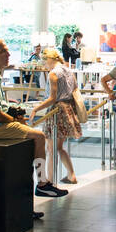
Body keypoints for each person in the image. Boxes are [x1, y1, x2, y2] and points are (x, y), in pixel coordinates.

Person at [0, 39, 57, 207]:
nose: (8, 54)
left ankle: (30, 195)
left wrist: (12, 112)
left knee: (28, 131)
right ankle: (42, 183)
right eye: (3, 51)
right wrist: (13, 119)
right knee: (39, 136)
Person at [33, 47, 83, 186]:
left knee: (51, 148)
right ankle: (71, 174)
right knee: (59, 147)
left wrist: (36, 109)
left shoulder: (53, 74)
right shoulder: (67, 70)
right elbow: (74, 89)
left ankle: (49, 180)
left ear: (47, 60)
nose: (44, 66)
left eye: (43, 62)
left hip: (56, 112)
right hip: (68, 109)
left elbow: (52, 98)